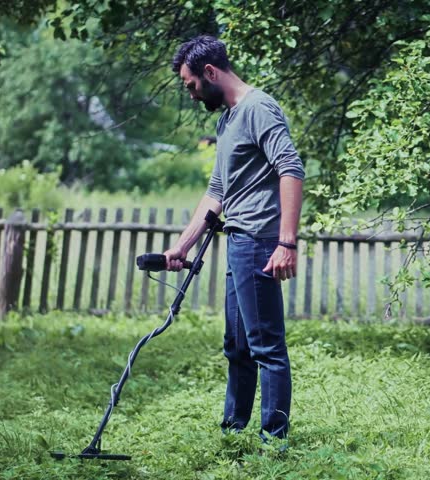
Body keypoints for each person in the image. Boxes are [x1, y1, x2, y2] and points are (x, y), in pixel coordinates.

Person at [164, 35, 305, 441]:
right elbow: (217, 192)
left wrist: (286, 242)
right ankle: (234, 430)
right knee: (238, 346)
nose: (191, 93)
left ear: (210, 72)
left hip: (261, 241)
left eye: (191, 84)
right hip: (239, 242)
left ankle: (274, 442)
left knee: (266, 349)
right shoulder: (227, 119)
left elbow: (291, 169)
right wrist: (181, 246)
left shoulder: (259, 108)